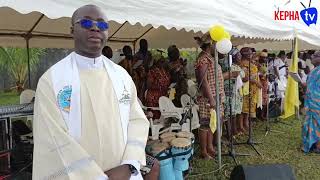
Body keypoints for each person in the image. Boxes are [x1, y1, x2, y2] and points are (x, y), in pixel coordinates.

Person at [33, 5, 149, 180]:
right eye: (86, 23)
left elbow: (137, 120)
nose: (95, 28)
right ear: (72, 30)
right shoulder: (53, 80)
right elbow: (52, 137)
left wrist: (130, 164)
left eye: (102, 25)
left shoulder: (121, 76)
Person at [194, 33, 225, 159]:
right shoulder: (203, 59)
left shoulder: (209, 57)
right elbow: (203, 80)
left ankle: (210, 147)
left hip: (215, 96)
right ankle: (204, 151)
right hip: (208, 98)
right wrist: (211, 98)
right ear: (210, 45)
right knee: (205, 124)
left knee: (213, 123)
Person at [219, 48, 245, 135]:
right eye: (238, 55)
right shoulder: (227, 66)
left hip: (236, 93)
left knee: (234, 113)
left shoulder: (238, 67)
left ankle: (233, 130)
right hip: (228, 92)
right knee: (228, 113)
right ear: (233, 57)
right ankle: (229, 132)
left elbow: (243, 77)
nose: (240, 57)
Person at [239, 47, 261, 132]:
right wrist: (256, 81)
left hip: (252, 89)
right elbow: (244, 77)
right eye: (250, 53)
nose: (251, 54)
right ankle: (241, 125)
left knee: (248, 108)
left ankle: (246, 123)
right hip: (246, 88)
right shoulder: (242, 64)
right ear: (245, 54)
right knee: (243, 108)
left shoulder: (250, 63)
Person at [302, 50, 320, 153]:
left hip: (317, 102)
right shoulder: (314, 70)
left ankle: (318, 145)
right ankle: (312, 143)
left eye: (315, 56)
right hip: (310, 102)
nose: (312, 57)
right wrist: (303, 84)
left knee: (318, 123)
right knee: (310, 122)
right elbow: (310, 84)